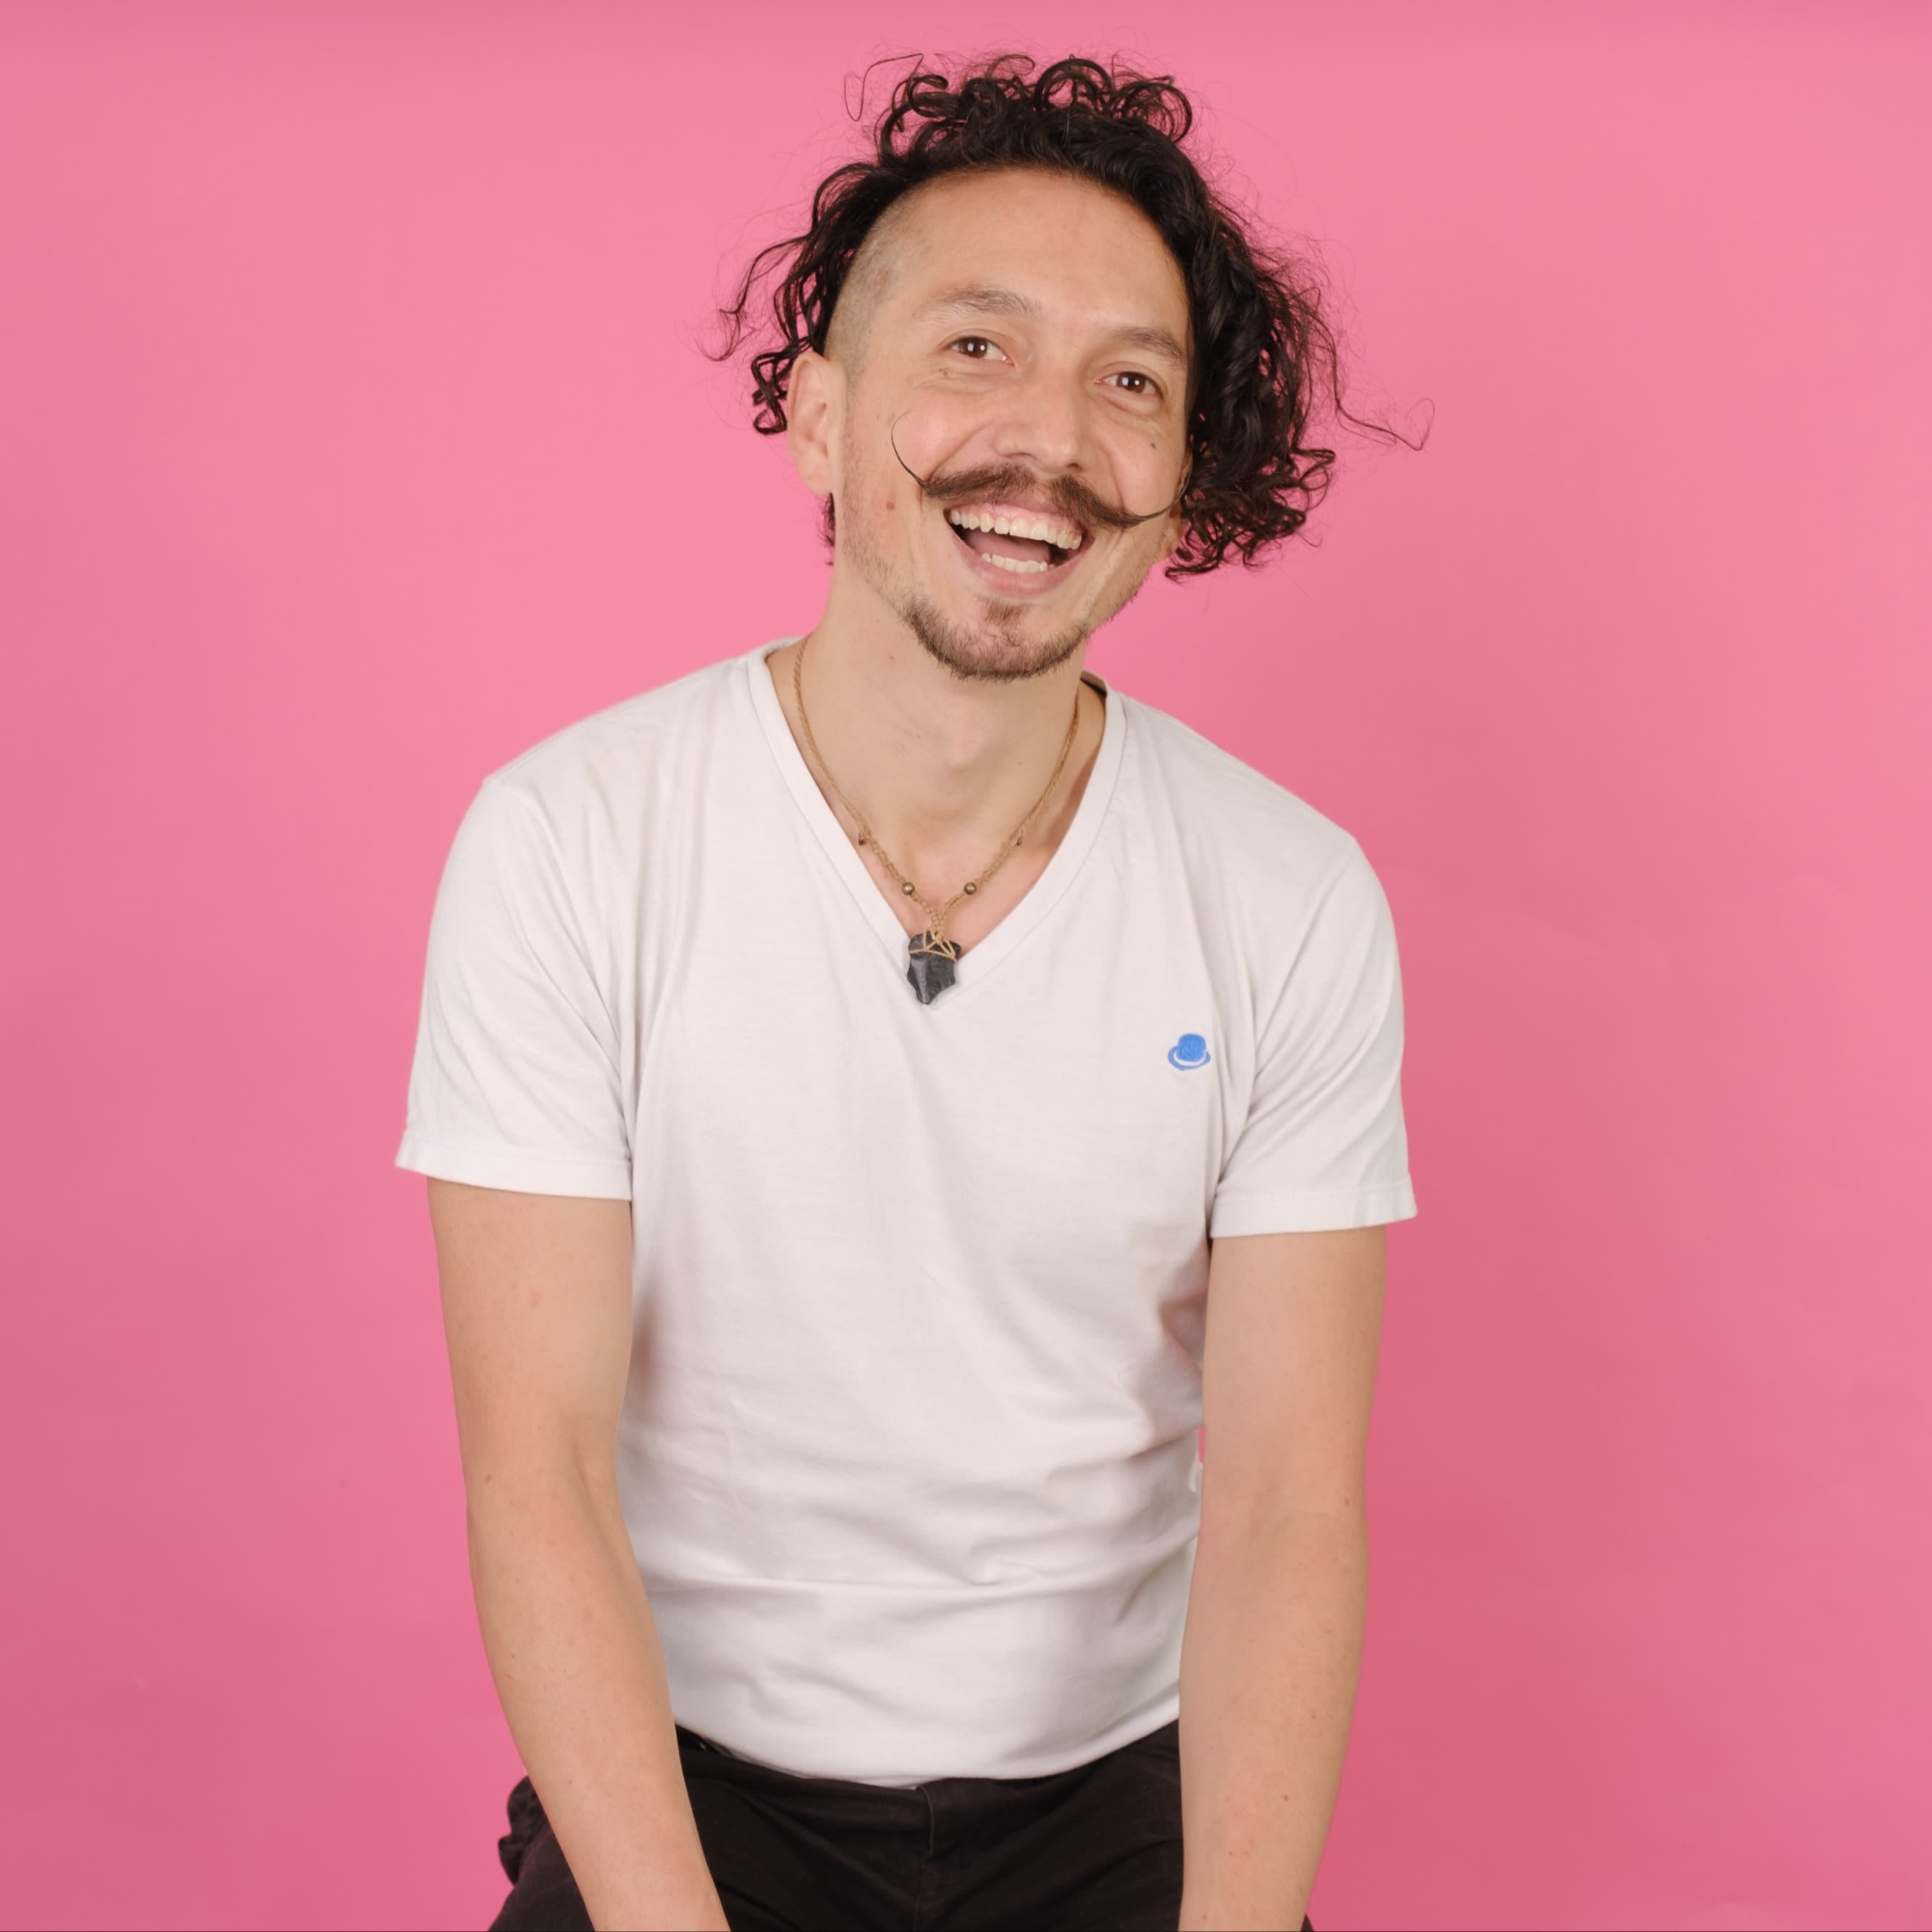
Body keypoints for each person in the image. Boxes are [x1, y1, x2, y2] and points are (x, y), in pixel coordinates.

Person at [398, 51, 1415, 1932]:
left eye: (1131, 380)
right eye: (975, 348)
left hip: (1120, 1792)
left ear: (1181, 471)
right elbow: (534, 1466)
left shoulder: (1287, 896)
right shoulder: (567, 839)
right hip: (690, 1782)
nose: (1050, 437)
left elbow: (1286, 1500)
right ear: (814, 410)